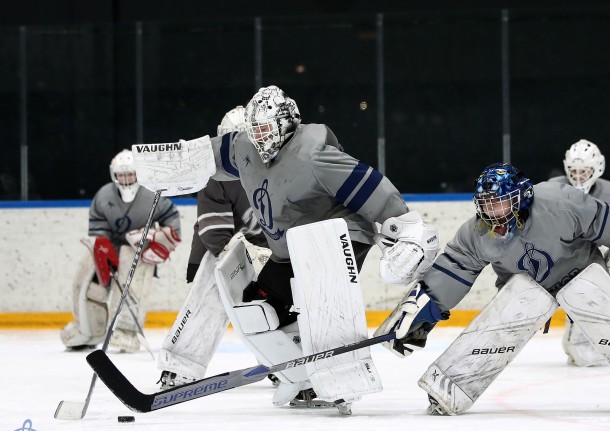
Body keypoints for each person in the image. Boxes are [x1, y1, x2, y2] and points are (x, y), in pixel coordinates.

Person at [139, 85, 439, 413]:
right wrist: (169, 165)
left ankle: (343, 380)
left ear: (286, 123)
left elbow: (369, 187)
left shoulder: (313, 154)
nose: (260, 139)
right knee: (258, 312)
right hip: (290, 250)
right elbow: (208, 155)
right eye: (254, 132)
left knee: (323, 303)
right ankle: (302, 377)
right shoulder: (245, 147)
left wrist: (404, 226)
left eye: (266, 129)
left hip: (337, 237)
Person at [375, 162, 610, 415]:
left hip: (582, 278)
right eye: (486, 206)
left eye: (499, 204)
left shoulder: (561, 202)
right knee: (516, 302)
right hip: (527, 292)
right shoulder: (476, 234)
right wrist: (423, 310)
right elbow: (453, 270)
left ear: (522, 197)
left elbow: (607, 222)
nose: (492, 214)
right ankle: (450, 387)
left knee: (598, 324)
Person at [157, 106, 271, 388]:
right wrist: (251, 255)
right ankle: (180, 364)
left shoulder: (275, 170)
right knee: (215, 284)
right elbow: (215, 235)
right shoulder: (215, 177)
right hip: (230, 251)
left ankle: (292, 365)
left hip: (269, 253)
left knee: (285, 300)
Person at [60, 150, 181, 352]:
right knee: (86, 274)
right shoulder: (104, 195)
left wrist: (155, 238)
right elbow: (98, 229)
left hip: (138, 249)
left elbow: (172, 223)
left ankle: (126, 331)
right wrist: (103, 253)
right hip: (110, 247)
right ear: (113, 175)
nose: (126, 179)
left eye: (130, 174)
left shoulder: (152, 193)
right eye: (121, 175)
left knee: (133, 278)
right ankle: (89, 329)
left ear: (138, 174)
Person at [548, 139, 610, 366]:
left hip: (597, 259)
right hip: (564, 259)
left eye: (583, 171)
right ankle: (577, 340)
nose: (578, 176)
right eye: (573, 171)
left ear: (596, 168)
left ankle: (608, 342)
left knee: (609, 302)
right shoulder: (554, 187)